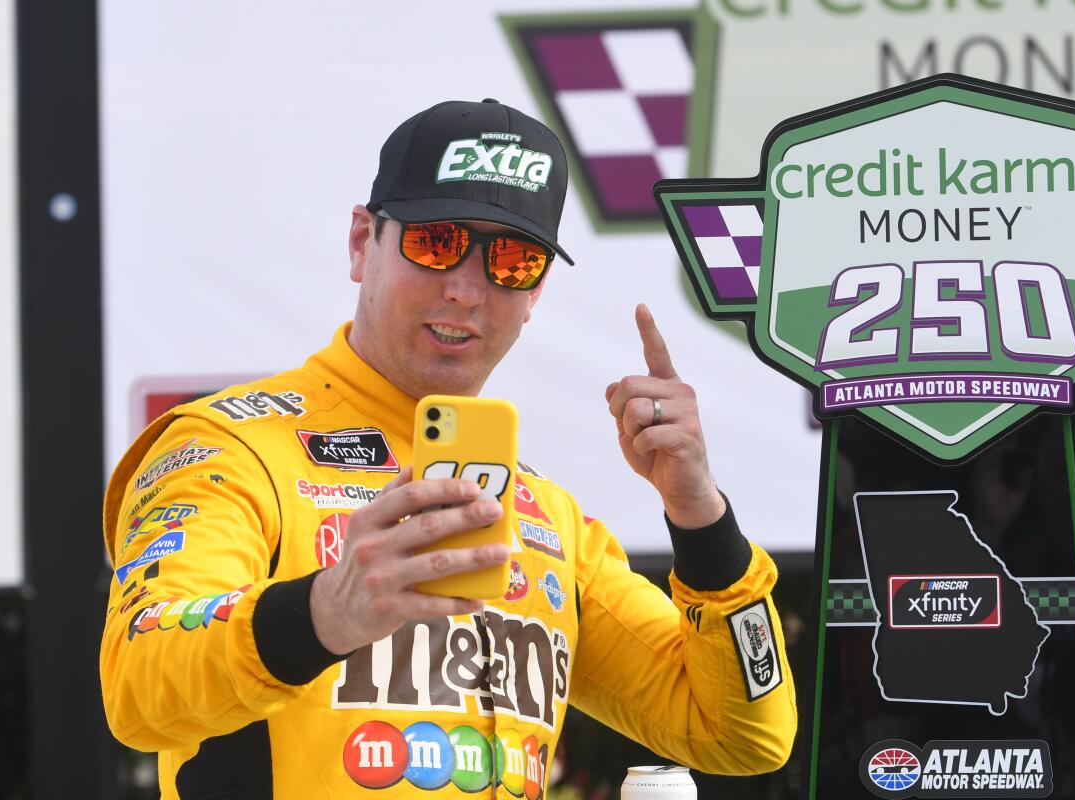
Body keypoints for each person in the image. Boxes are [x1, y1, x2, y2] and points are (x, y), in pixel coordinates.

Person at [100, 98, 797, 799]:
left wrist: (699, 514)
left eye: (512, 260)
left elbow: (741, 735)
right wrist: (324, 612)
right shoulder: (229, 448)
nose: (467, 290)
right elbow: (138, 686)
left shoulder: (544, 517)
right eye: (435, 242)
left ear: (536, 291)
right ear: (360, 242)